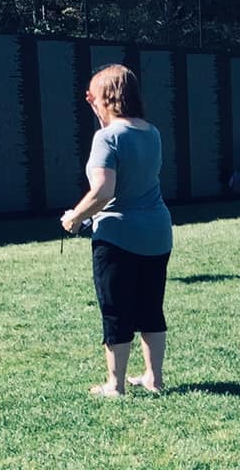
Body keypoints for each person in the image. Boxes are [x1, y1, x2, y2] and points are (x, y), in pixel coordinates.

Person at [62, 63, 173, 396]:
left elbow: (103, 191)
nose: (91, 102)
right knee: (151, 308)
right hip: (157, 232)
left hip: (118, 236)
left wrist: (74, 217)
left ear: (107, 97)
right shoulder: (151, 132)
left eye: (94, 97)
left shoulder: (106, 137)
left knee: (116, 310)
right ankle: (154, 378)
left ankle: (116, 384)